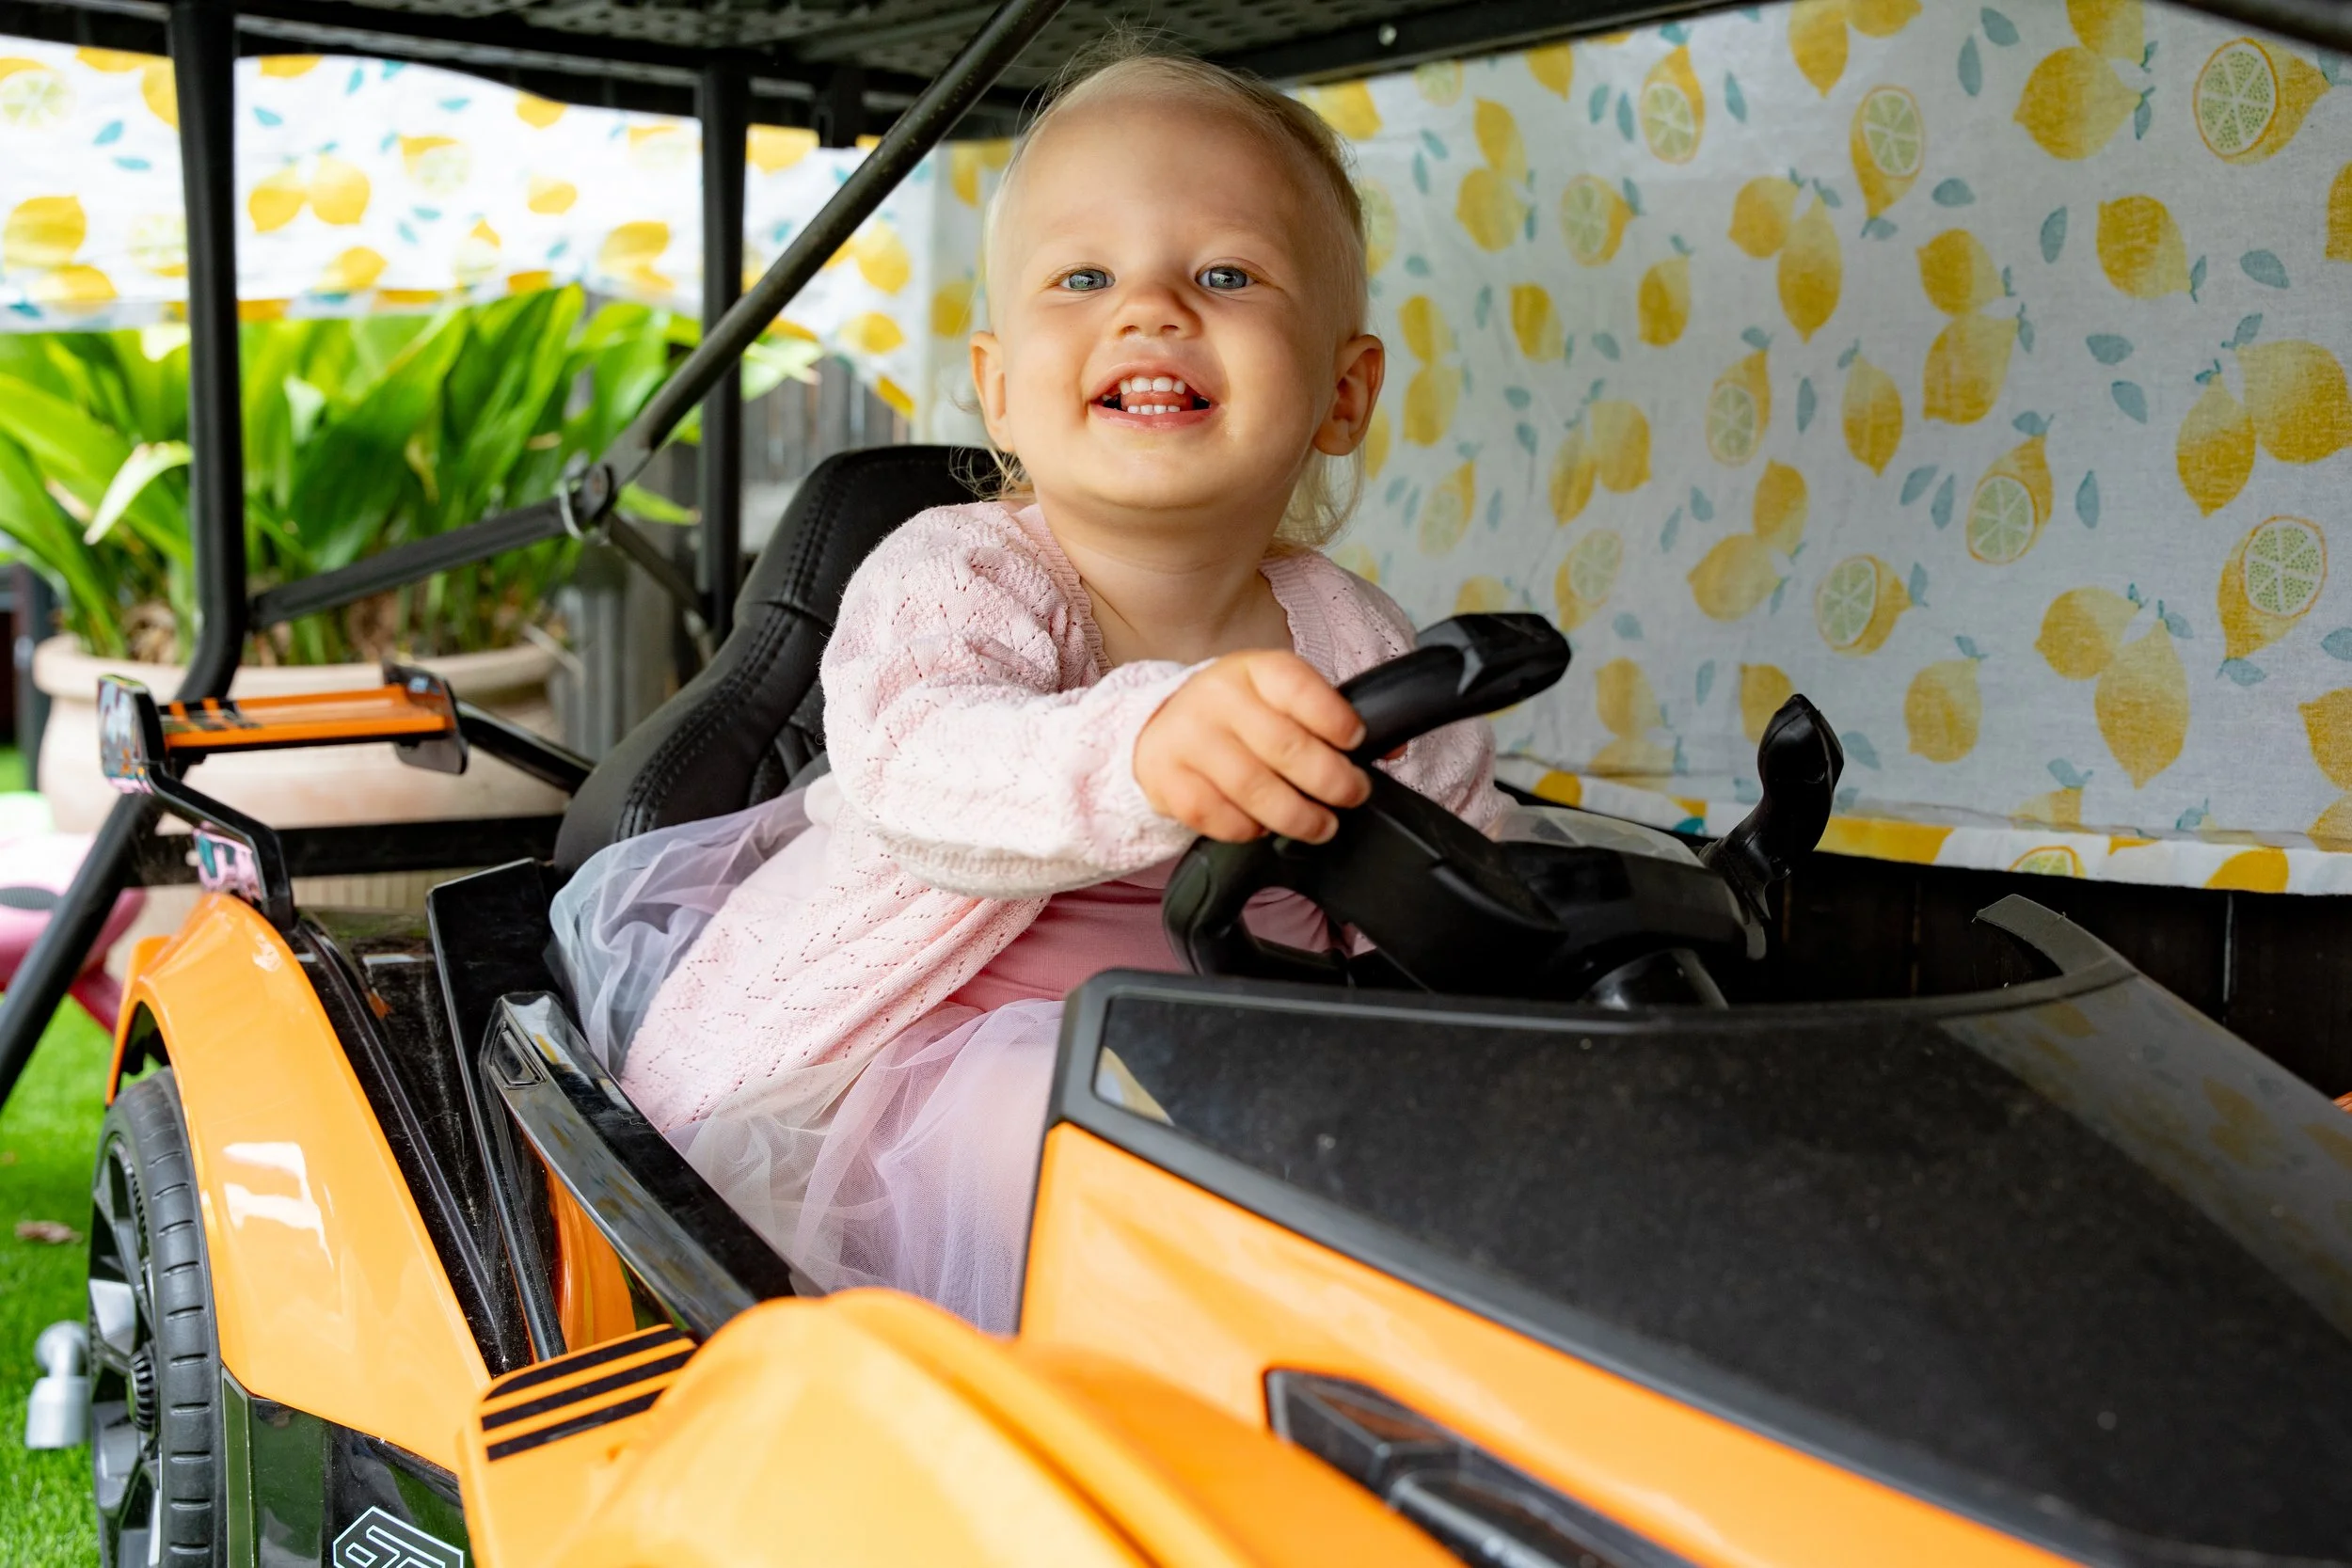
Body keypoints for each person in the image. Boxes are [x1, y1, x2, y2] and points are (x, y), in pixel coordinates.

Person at [553, 44, 1507, 1334]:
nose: (1153, 308)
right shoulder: (961, 574)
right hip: (922, 1067)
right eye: (1085, 276)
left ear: (1344, 393)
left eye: (1225, 272)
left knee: (1462, 1156)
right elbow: (916, 759)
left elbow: (1448, 883)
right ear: (1001, 390)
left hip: (1250, 1067)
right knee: (1067, 1133)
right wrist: (1140, 746)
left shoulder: (1359, 635)